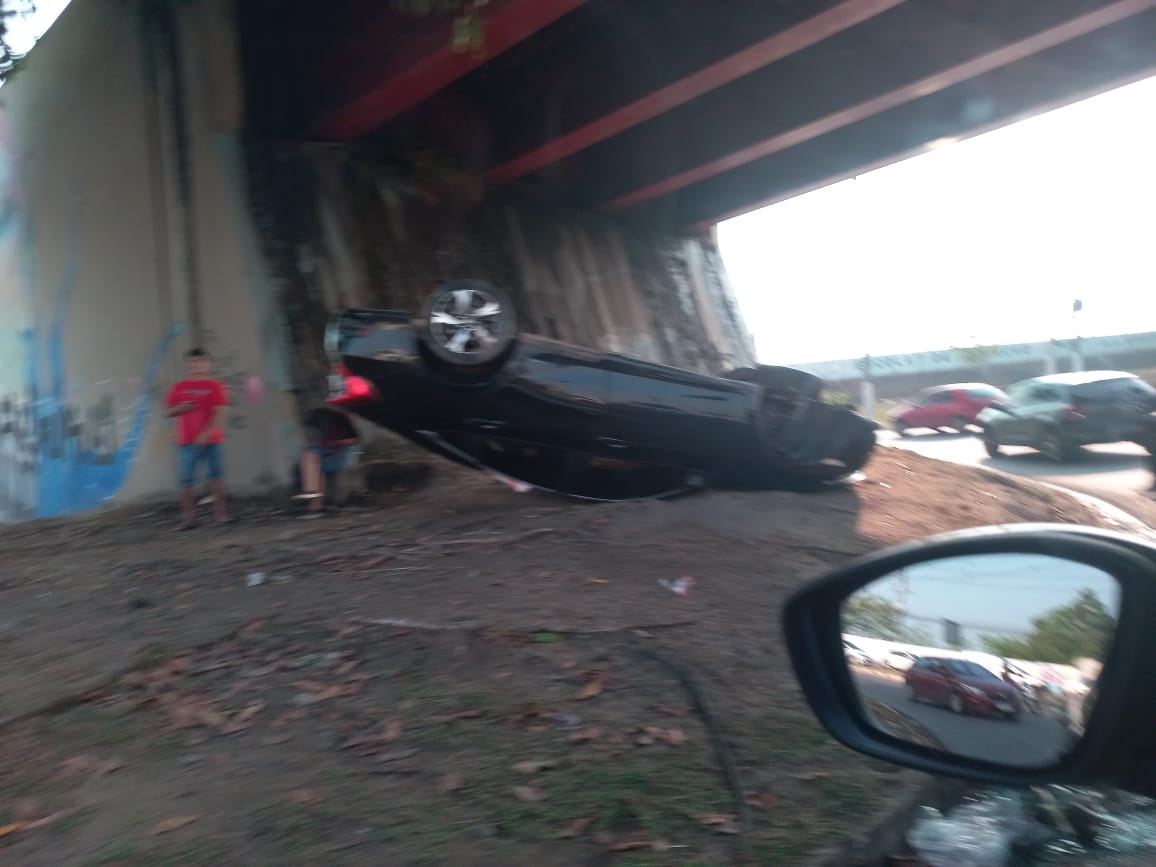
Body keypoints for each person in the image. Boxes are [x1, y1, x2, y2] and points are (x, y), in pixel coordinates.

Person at [166, 348, 230, 529]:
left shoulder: (216, 386)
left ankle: (221, 515)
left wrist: (208, 432)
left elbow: (220, 413)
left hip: (212, 440)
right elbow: (169, 411)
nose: (196, 365)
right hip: (186, 441)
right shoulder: (179, 388)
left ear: (207, 364)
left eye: (200, 361)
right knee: (186, 481)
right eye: (192, 362)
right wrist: (181, 408)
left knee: (216, 478)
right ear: (187, 365)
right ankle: (189, 519)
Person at [293, 406, 360, 518]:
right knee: (310, 458)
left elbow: (354, 441)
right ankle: (315, 505)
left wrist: (335, 443)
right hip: (325, 453)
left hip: (342, 454)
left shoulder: (342, 419)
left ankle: (313, 501)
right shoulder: (323, 416)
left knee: (313, 461)